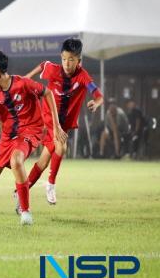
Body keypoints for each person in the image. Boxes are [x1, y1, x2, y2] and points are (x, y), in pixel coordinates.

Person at [0, 49, 67, 225]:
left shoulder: (23, 83)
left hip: (30, 131)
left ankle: (25, 212)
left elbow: (47, 93)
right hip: (8, 137)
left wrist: (56, 126)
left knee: (16, 160)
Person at [22, 38, 103, 204]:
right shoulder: (54, 70)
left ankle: (21, 190)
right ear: (61, 57)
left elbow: (99, 95)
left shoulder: (83, 76)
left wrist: (96, 103)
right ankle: (51, 184)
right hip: (48, 118)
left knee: (43, 162)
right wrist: (28, 77)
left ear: (78, 61)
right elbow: (44, 64)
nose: (67, 63)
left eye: (71, 60)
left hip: (64, 123)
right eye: (64, 59)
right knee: (62, 145)